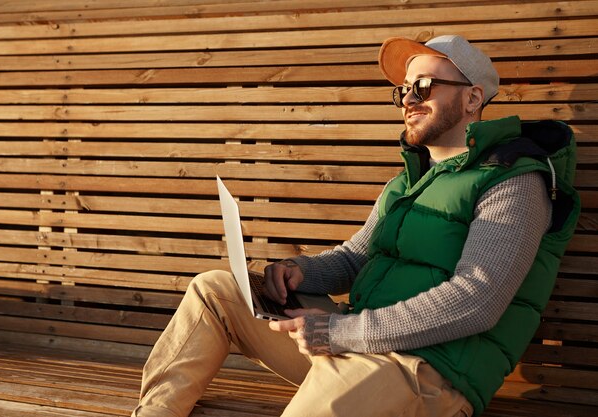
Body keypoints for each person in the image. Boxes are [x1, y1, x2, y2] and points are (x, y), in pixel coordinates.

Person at [131, 35, 580, 417]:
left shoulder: (515, 180)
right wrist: (301, 272)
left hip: (429, 374)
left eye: (423, 86)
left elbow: (476, 300)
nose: (408, 100)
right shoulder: (408, 182)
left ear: (472, 98)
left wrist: (341, 333)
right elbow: (354, 258)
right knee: (216, 290)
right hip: (361, 343)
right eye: (403, 90)